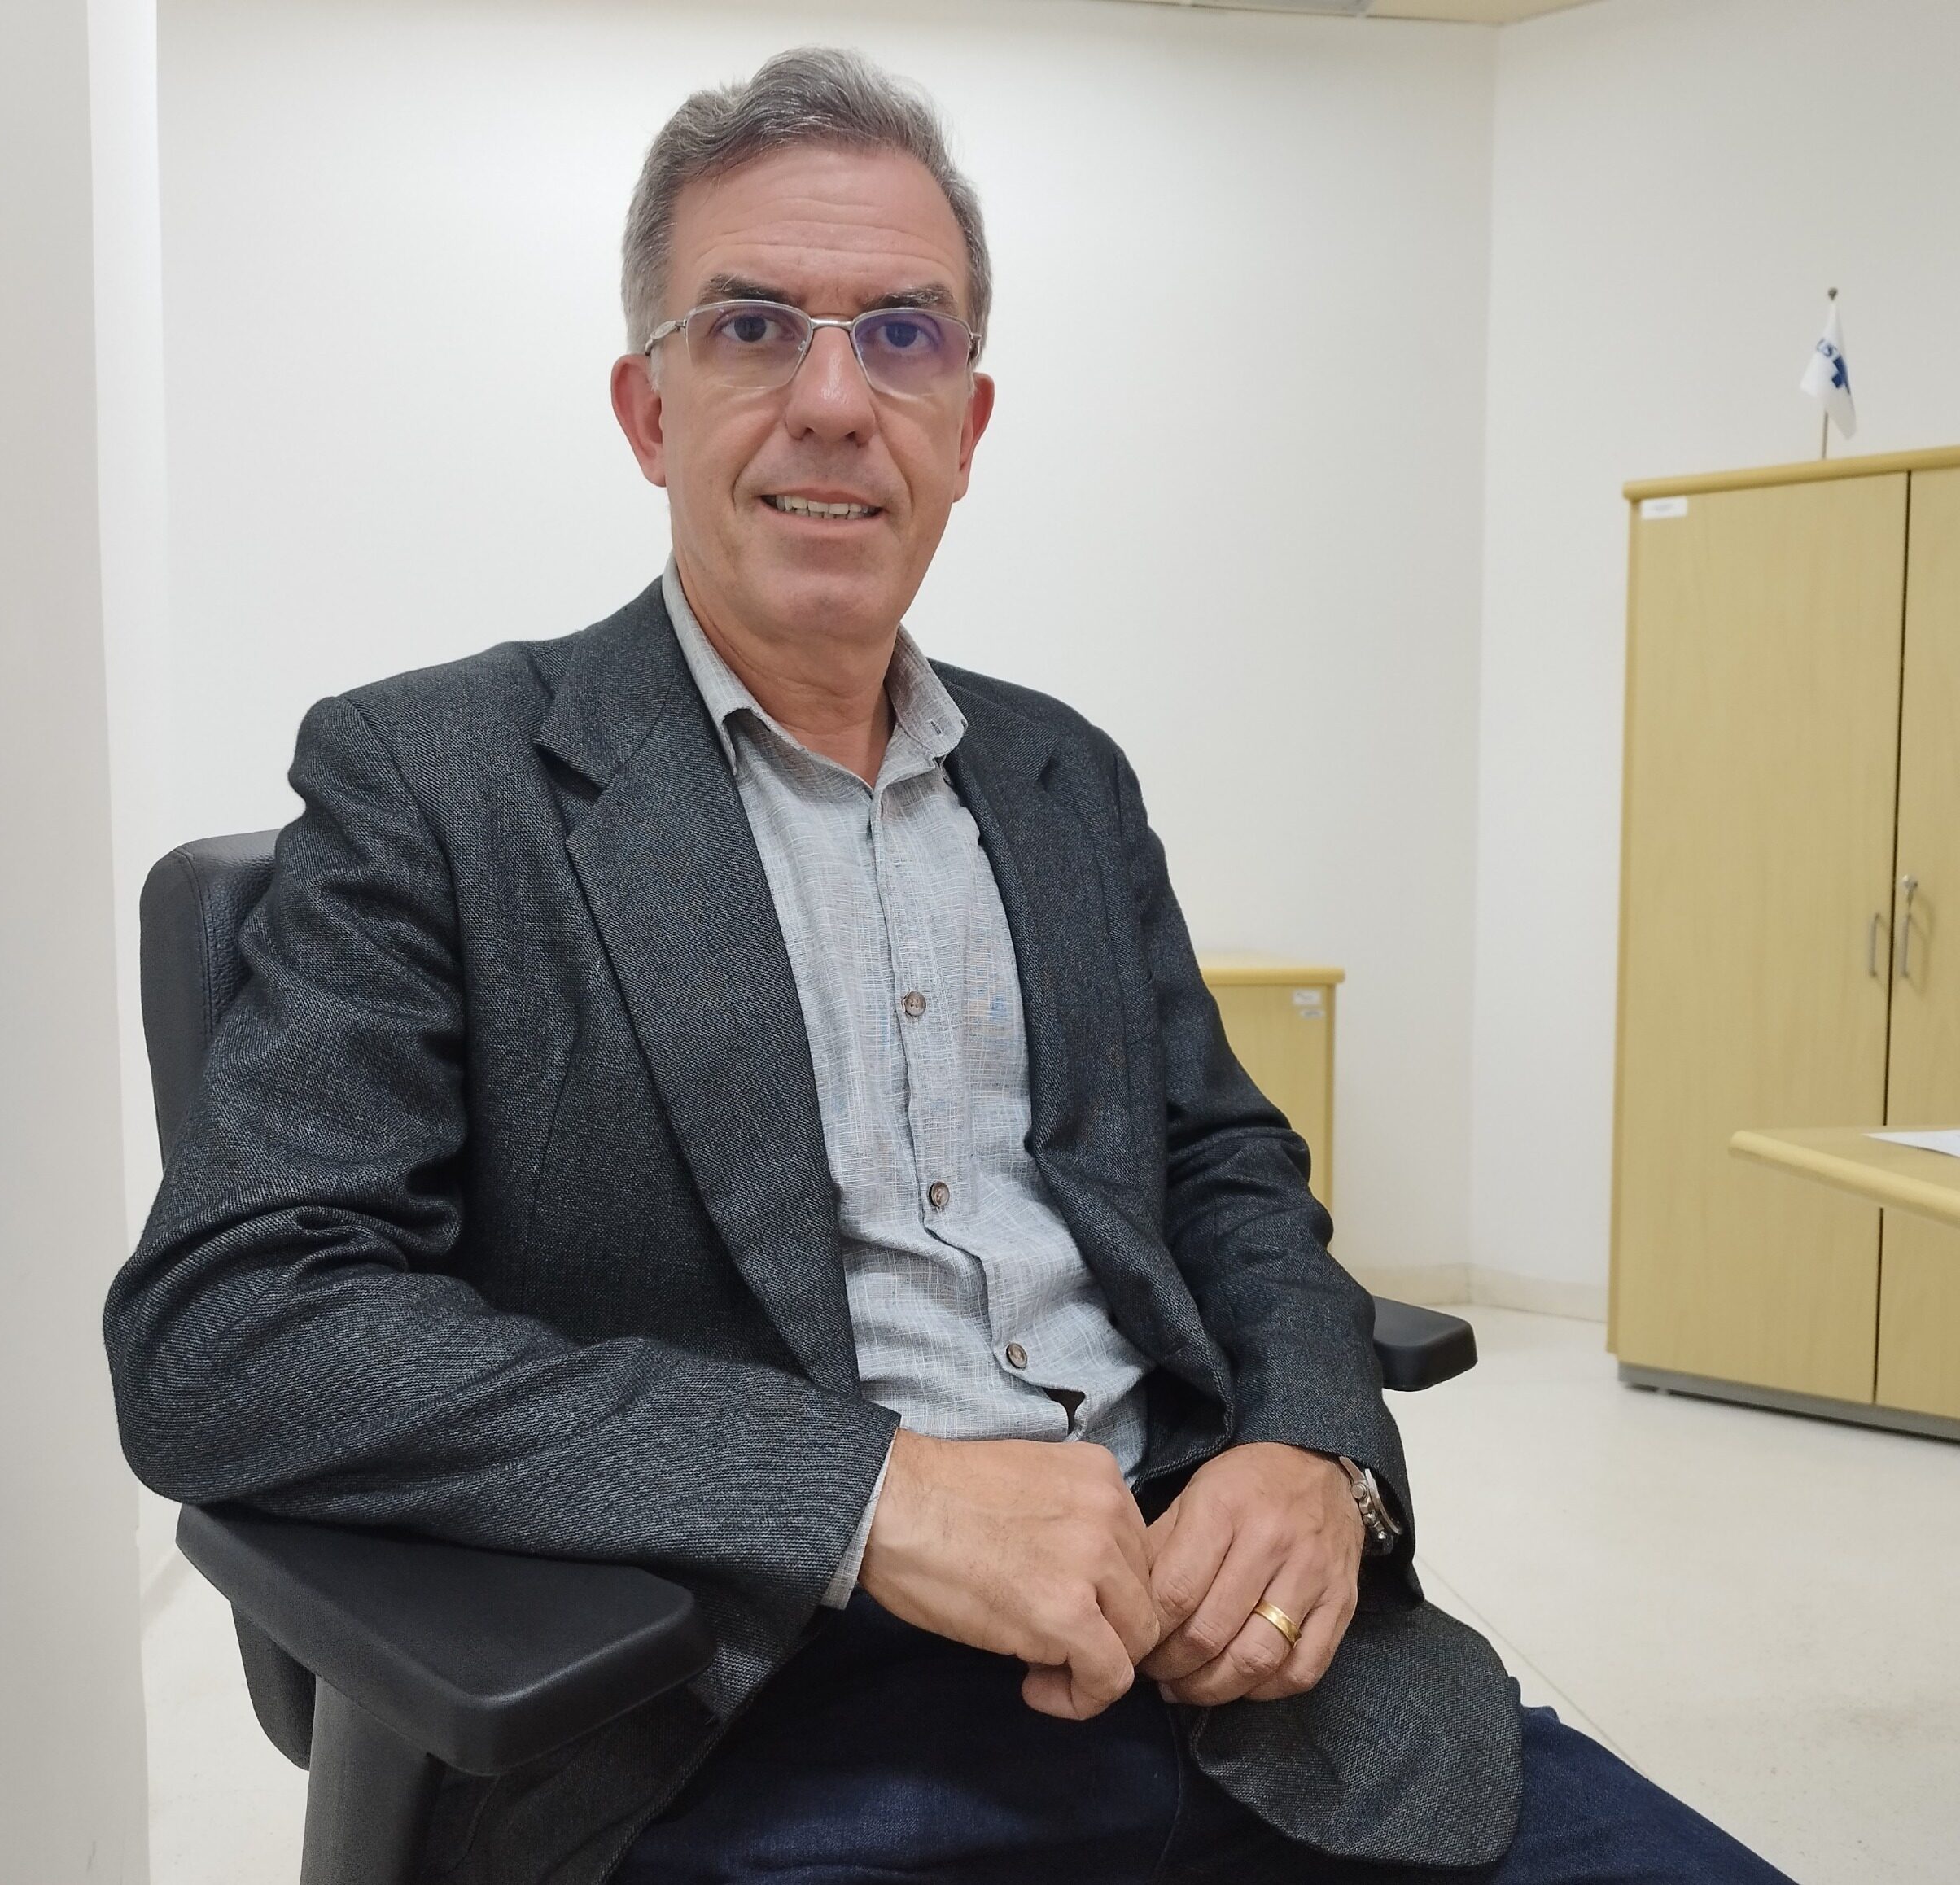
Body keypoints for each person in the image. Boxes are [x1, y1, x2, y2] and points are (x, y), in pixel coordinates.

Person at [103, 46, 1792, 1885]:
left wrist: (1315, 1452)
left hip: (1230, 1669)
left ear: (967, 427)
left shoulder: (1061, 779)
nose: (835, 402)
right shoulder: (438, 781)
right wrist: (867, 1495)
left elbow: (1226, 1170)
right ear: (648, 408)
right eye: (753, 327)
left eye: (902, 336)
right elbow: (235, 1327)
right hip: (744, 1708)